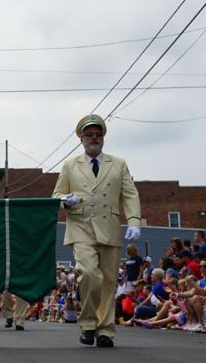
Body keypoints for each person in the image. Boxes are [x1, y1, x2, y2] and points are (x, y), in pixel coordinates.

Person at [53, 114, 141, 348]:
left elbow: (130, 193)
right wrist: (64, 201)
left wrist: (134, 221)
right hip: (80, 226)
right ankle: (88, 323)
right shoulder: (70, 165)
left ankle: (105, 331)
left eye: (97, 134)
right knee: (90, 274)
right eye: (89, 134)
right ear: (81, 139)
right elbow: (56, 195)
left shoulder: (118, 164)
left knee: (109, 281)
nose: (94, 138)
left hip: (109, 226)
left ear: (103, 137)